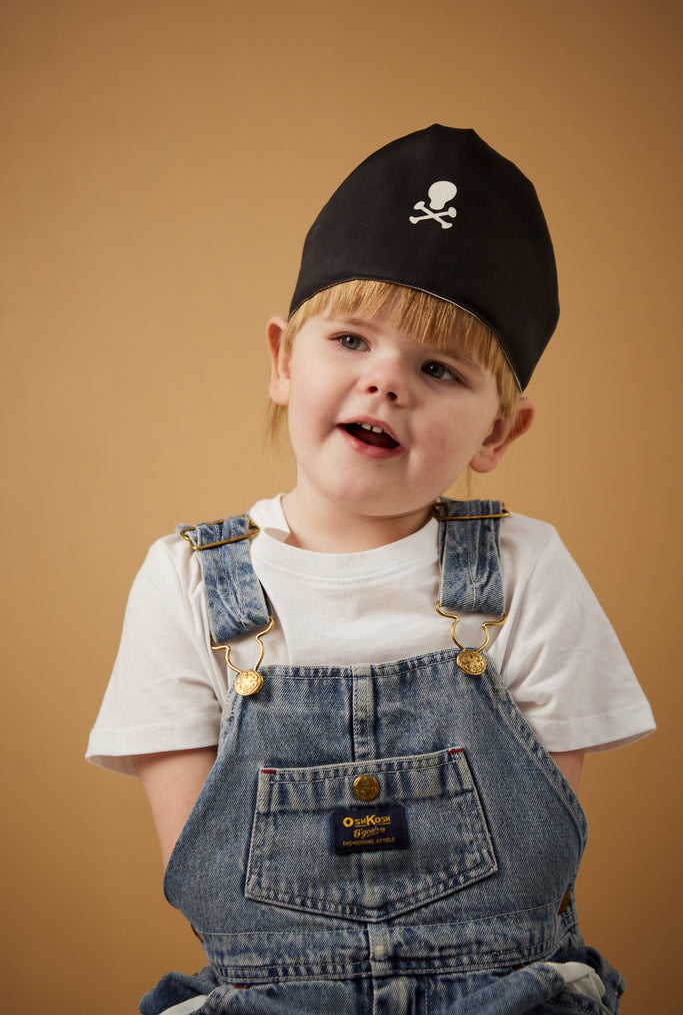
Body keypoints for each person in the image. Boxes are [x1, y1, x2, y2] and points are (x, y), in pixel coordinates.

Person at [87, 126, 655, 1015]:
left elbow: (541, 855)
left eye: (438, 368)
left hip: (503, 992)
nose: (386, 382)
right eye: (351, 340)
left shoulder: (524, 570)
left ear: (498, 432)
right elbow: (202, 868)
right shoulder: (186, 584)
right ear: (283, 360)